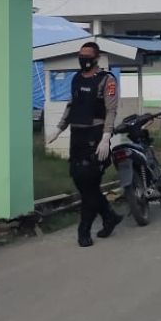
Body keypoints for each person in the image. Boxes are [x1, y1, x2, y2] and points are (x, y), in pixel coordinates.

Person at [49, 41, 123, 247]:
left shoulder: (106, 80)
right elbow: (71, 105)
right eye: (81, 55)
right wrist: (59, 128)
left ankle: (84, 231)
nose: (84, 59)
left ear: (97, 58)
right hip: (77, 136)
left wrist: (106, 137)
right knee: (81, 182)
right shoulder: (76, 79)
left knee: (90, 184)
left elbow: (111, 110)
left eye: (88, 56)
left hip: (96, 136)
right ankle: (109, 216)